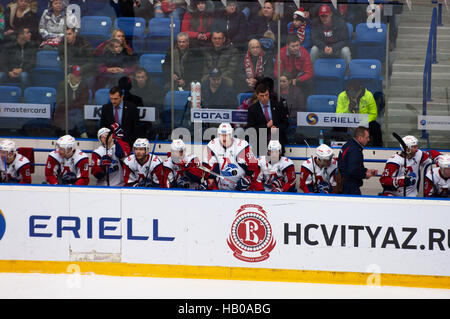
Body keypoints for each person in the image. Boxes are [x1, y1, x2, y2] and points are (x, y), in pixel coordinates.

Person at [203, 122, 259, 191]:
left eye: (226, 135)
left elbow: (254, 166)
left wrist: (247, 179)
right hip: (221, 190)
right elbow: (210, 169)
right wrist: (208, 182)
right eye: (221, 135)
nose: (224, 138)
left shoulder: (242, 146)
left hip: (241, 190)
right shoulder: (213, 145)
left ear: (231, 135)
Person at [336, 79, 382, 147]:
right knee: (337, 126)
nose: (352, 93)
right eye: (349, 91)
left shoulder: (368, 95)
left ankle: (378, 147)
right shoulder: (342, 96)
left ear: (359, 90)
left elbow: (373, 114)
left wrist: (362, 122)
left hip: (364, 122)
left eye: (354, 92)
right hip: (348, 122)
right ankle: (339, 145)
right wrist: (348, 109)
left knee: (375, 126)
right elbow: (338, 115)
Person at [246, 82, 289, 156]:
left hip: (277, 140)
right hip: (261, 142)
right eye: (262, 96)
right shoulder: (252, 109)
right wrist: (266, 126)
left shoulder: (278, 105)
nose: (265, 98)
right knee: (263, 166)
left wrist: (277, 128)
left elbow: (286, 123)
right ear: (257, 95)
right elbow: (251, 129)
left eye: (266, 95)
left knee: (277, 165)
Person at [337, 126, 377, 195]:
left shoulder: (349, 145)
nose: (368, 140)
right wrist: (365, 175)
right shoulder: (355, 150)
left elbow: (352, 166)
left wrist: (366, 170)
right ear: (360, 138)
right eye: (366, 137)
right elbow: (352, 170)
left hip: (345, 184)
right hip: (350, 187)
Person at [54, 65, 90, 138]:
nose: (79, 77)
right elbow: (60, 102)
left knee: (76, 113)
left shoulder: (84, 86)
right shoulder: (62, 85)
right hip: (64, 111)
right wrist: (72, 105)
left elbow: (83, 102)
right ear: (70, 76)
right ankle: (82, 133)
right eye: (76, 75)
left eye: (80, 75)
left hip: (78, 111)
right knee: (72, 114)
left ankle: (68, 134)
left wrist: (71, 105)